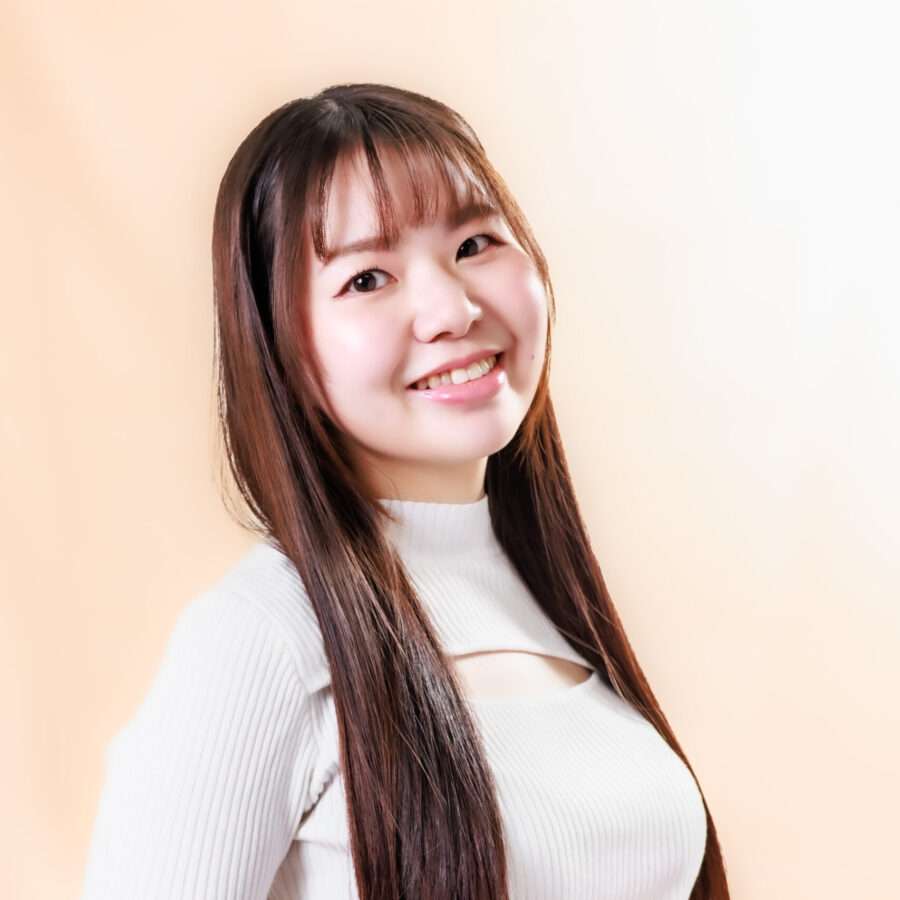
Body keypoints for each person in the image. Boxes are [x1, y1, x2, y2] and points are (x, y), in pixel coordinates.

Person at [80, 83, 730, 899]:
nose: (451, 310)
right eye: (367, 279)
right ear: (280, 347)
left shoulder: (546, 594)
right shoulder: (262, 638)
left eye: (475, 243)